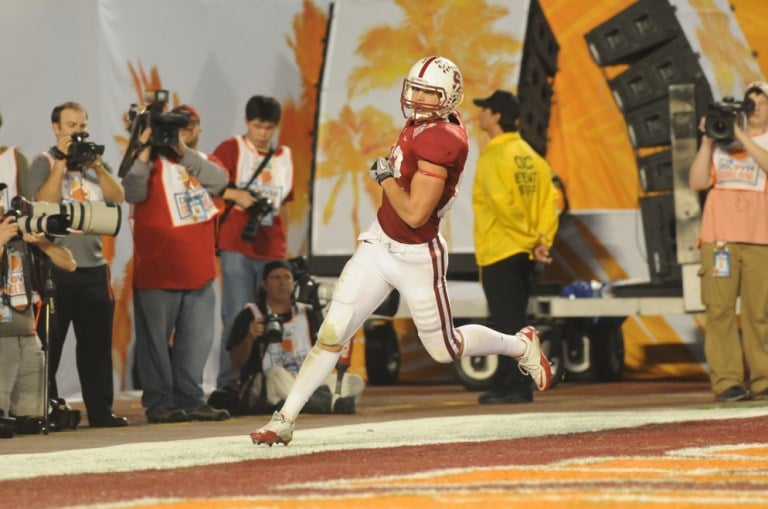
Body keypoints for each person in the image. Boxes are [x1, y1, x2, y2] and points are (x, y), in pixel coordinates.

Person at [251, 56, 553, 446]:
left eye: (430, 92)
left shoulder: (441, 139)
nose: (419, 98)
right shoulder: (422, 124)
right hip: (379, 244)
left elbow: (413, 213)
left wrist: (385, 177)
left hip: (416, 254)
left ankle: (519, 345)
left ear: (448, 99)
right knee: (333, 330)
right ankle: (285, 418)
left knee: (446, 349)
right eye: (417, 88)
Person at [122, 102, 231, 423]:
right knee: (154, 346)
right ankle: (160, 405)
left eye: (190, 125)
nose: (185, 131)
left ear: (198, 129)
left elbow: (220, 181)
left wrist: (179, 148)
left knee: (195, 345)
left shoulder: (203, 162)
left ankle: (192, 399)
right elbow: (132, 191)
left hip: (199, 272)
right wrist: (143, 147)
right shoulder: (147, 162)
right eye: (176, 126)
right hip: (156, 271)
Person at [28, 102, 128, 428]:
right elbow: (42, 203)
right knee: (49, 344)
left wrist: (98, 166)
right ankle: (47, 409)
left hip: (94, 267)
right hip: (55, 267)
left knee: (96, 346)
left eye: (81, 124)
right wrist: (61, 163)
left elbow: (118, 195)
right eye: (70, 125)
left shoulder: (92, 164)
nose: (76, 130)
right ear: (56, 127)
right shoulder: (43, 162)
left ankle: (101, 411)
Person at [471, 90, 559, 405]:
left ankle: (515, 387)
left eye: (485, 109)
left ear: (496, 116)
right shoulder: (533, 157)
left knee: (507, 324)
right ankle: (508, 384)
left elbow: (502, 206)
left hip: (501, 249)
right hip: (523, 252)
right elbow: (550, 204)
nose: (479, 114)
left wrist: (529, 240)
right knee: (515, 319)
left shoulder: (493, 156)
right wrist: (540, 241)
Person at [689, 81, 768, 402]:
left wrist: (743, 137)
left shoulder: (758, 141)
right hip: (719, 238)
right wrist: (708, 142)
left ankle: (763, 378)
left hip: (759, 238)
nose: (756, 107)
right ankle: (727, 382)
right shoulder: (720, 143)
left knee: (759, 313)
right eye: (751, 103)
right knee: (719, 311)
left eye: (762, 102)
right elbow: (696, 182)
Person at [212, 96, 294, 392]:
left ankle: (269, 381)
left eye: (268, 128)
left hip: (273, 247)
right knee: (236, 315)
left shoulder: (284, 155)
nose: (262, 133)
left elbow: (284, 203)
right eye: (258, 126)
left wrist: (285, 252)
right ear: (247, 122)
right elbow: (208, 182)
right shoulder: (231, 148)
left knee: (277, 317)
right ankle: (228, 384)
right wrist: (236, 195)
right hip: (238, 245)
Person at [215, 260, 363, 415]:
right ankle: (327, 403)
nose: (282, 283)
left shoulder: (308, 313)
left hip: (303, 381)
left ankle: (314, 402)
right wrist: (249, 338)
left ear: (294, 283)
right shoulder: (251, 315)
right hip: (268, 383)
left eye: (287, 277)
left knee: (354, 381)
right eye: (276, 278)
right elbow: (235, 362)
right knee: (275, 374)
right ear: (264, 285)